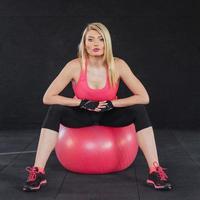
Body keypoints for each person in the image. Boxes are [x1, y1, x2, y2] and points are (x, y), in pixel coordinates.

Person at [22, 22, 173, 192]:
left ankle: (155, 171)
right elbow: (48, 97)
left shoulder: (118, 65)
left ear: (106, 43)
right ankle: (38, 172)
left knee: (138, 109)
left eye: (100, 39)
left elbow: (144, 97)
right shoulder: (74, 66)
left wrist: (112, 103)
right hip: (81, 115)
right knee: (55, 109)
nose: (95, 44)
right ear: (84, 43)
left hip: (110, 114)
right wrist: (82, 102)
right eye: (91, 39)